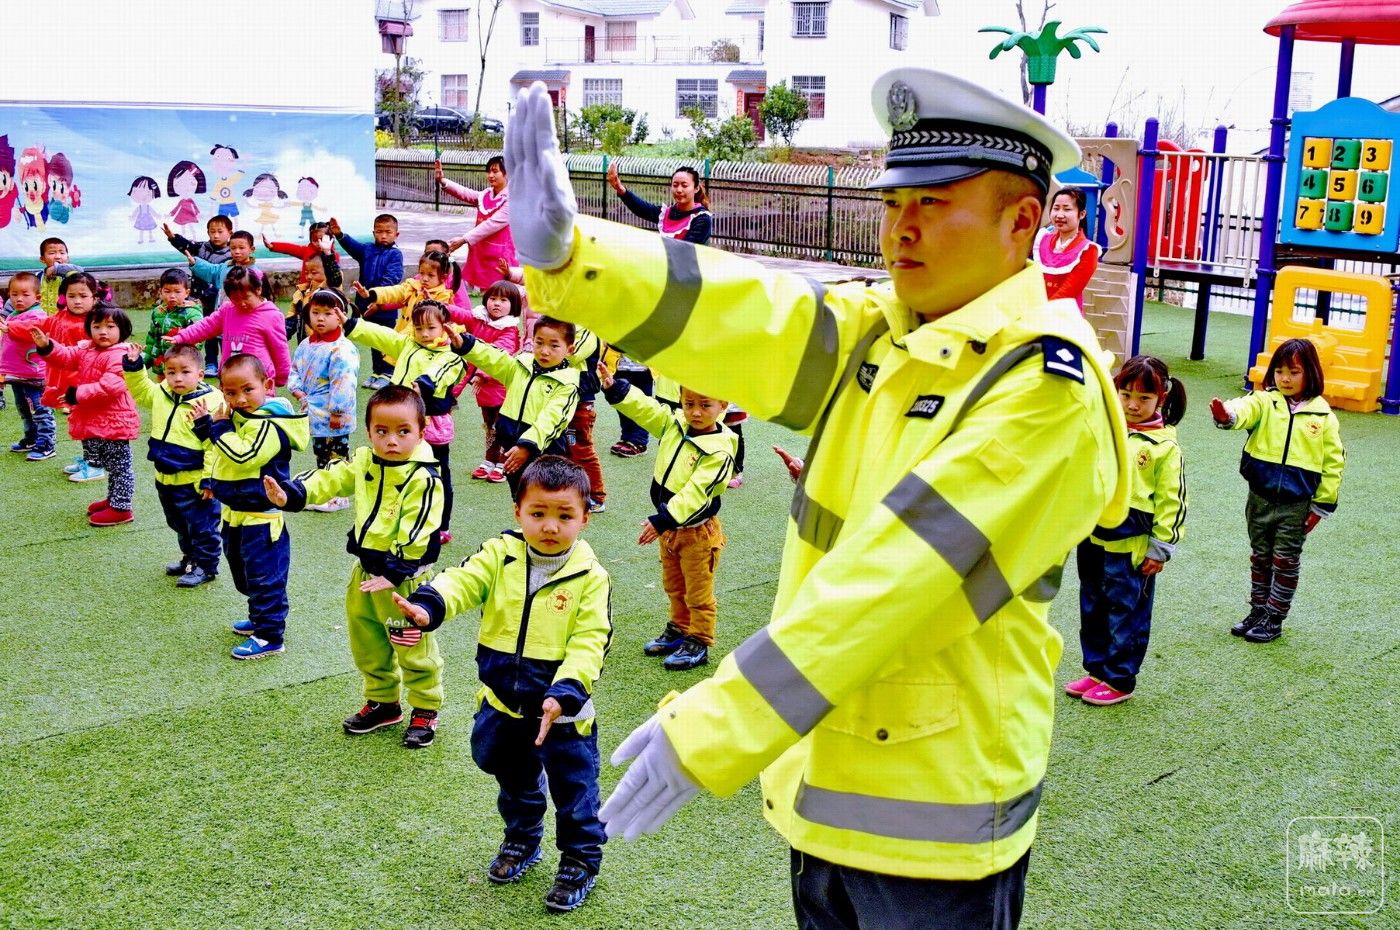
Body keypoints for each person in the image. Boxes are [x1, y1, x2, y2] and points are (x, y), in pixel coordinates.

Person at [505, 69, 1130, 929]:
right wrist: (573, 257)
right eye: (894, 202)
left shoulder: (1043, 387)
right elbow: (752, 313)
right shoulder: (893, 329)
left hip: (937, 827)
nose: (901, 229)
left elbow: (896, 589)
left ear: (1022, 222)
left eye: (935, 203)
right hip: (834, 789)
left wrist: (712, 729)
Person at [391, 456, 611, 913]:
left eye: (565, 516)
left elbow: (591, 641)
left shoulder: (591, 578)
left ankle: (580, 858)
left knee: (575, 791)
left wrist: (565, 692)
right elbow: (461, 581)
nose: (550, 526)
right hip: (503, 704)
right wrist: (427, 607)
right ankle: (523, 837)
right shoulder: (500, 553)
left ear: (585, 517)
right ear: (518, 512)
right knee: (510, 777)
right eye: (538, 513)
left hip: (562, 713)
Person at [264, 385, 446, 749]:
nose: (391, 440)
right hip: (364, 574)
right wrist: (292, 494)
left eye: (403, 431)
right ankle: (383, 702)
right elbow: (330, 476)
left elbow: (421, 526)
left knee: (412, 647)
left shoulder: (424, 477)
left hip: (403, 581)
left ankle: (425, 707)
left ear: (421, 431)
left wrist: (394, 573)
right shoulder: (365, 460)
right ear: (369, 432)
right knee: (367, 643)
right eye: (382, 431)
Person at [598, 363, 737, 670]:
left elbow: (696, 494)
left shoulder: (719, 451)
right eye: (689, 404)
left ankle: (699, 641)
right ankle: (679, 628)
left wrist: (662, 520)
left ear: (722, 405)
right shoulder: (675, 424)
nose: (696, 412)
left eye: (705, 405)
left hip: (697, 533)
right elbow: (647, 409)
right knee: (674, 585)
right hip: (670, 530)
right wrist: (615, 387)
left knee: (698, 590)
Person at [1069, 355, 1187, 705]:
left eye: (1144, 398)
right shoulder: (1107, 431)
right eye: (1126, 394)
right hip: (1093, 535)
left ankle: (1120, 679)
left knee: (1126, 610)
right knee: (1092, 605)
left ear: (1160, 399)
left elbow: (1172, 501)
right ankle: (1097, 670)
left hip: (1132, 544)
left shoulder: (1164, 448)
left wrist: (1161, 547)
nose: (1133, 405)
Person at [1210, 338, 1343, 644]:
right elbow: (1243, 408)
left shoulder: (1323, 418)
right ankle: (1258, 610)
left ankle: (1274, 617)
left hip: (1297, 504)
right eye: (1280, 371)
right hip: (1259, 497)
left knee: (1285, 560)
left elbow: (1334, 463)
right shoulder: (1265, 402)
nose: (1285, 378)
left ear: (1310, 372)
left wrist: (1322, 505)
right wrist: (1226, 415)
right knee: (1260, 556)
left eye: (1294, 372)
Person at [192, 353, 309, 660]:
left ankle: (270, 635)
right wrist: (208, 428)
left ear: (267, 385)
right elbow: (221, 455)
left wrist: (218, 430)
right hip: (235, 513)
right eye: (230, 393)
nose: (240, 399)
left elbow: (244, 455)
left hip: (261, 517)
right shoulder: (238, 419)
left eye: (247, 390)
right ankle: (259, 619)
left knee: (264, 576)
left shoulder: (269, 423)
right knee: (243, 573)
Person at [605, 162, 715, 459]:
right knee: (631, 362)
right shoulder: (666, 214)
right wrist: (620, 189)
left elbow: (684, 254)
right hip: (653, 296)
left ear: (696, 188)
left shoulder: (702, 219)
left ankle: (692, 434)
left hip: (682, 303)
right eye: (675, 184)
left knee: (677, 372)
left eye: (684, 185)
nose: (679, 190)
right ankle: (636, 436)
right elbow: (644, 209)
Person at [344, 298, 468, 537]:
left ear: (445, 326)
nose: (424, 333)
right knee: (398, 469)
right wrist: (351, 324)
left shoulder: (452, 352)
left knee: (436, 474)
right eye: (418, 327)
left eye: (431, 327)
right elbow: (381, 335)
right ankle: (396, 515)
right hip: (399, 422)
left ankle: (440, 525)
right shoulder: (408, 344)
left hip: (430, 425)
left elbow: (441, 370)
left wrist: (423, 384)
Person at [122, 342, 224, 587]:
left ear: (200, 374)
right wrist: (135, 367)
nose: (177, 378)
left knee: (202, 526)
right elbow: (141, 391)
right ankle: (190, 558)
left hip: (195, 480)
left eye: (185, 372)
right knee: (178, 523)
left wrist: (210, 480)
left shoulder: (212, 401)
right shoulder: (162, 392)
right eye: (171, 372)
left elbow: (216, 445)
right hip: (165, 476)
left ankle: (206, 566)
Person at [30, 304, 141, 526]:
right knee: (110, 464)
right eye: (97, 326)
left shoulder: (120, 355)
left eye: (110, 326)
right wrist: (47, 346)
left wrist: (77, 394)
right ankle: (113, 500)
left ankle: (122, 508)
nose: (103, 331)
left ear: (123, 330)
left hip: (115, 420)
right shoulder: (87, 349)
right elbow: (66, 356)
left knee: (120, 466)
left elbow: (111, 386)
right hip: (98, 419)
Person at [450, 316, 580, 498]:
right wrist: (467, 344)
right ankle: (526, 525)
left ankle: (540, 525)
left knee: (543, 496)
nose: (544, 351)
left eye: (554, 345)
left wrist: (527, 446)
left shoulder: (567, 384)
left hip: (543, 451)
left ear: (569, 350)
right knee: (519, 493)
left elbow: (551, 419)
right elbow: (494, 358)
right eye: (539, 342)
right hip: (511, 445)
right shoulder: (520, 365)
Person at [18, 273, 111, 480]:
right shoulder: (60, 317)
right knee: (80, 422)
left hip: (87, 383)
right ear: (64, 297)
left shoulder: (97, 322)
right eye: (71, 296)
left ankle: (96, 465)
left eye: (83, 296)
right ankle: (90, 459)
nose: (77, 301)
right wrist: (12, 326)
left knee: (90, 423)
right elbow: (37, 328)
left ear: (94, 298)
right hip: (66, 379)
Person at [170, 266, 291, 387]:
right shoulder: (228, 310)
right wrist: (181, 336)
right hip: (229, 379)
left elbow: (279, 349)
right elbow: (206, 326)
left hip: (258, 382)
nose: (242, 303)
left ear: (258, 290)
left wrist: (281, 377)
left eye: (246, 297)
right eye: (235, 299)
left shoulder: (271, 315)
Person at [287, 288, 360, 487]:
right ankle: (325, 492)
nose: (320, 318)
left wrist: (338, 411)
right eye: (316, 312)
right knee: (321, 453)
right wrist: (297, 390)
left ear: (340, 317)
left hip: (334, 414)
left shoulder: (342, 349)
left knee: (336, 455)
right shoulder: (305, 345)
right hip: (313, 410)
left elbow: (343, 382)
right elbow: (295, 370)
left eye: (328, 314)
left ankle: (338, 495)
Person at [329, 214, 404, 389]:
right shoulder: (367, 249)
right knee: (373, 340)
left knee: (385, 340)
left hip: (384, 308)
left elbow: (392, 279)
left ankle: (388, 373)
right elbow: (353, 247)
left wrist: (377, 301)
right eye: (379, 232)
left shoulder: (395, 254)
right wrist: (340, 235)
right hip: (365, 305)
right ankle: (377, 372)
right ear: (373, 232)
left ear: (396, 234)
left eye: (388, 232)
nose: (383, 236)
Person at [463, 280, 523, 484]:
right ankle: (490, 459)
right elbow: (461, 315)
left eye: (503, 300)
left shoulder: (509, 329)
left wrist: (480, 374)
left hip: (501, 387)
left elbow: (499, 350)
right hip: (486, 390)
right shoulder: (480, 320)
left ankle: (504, 462)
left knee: (503, 425)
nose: (496, 303)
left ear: (513, 305)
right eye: (493, 298)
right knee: (489, 425)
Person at [439, 155, 517, 293]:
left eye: (495, 171)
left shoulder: (513, 199)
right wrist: (443, 181)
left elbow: (491, 224)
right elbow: (465, 193)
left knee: (500, 293)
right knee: (485, 295)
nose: (490, 175)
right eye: (489, 171)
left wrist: (463, 239)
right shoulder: (486, 194)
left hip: (500, 256)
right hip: (481, 253)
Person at [165, 217, 233, 375]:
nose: (215, 235)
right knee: (207, 331)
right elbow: (187, 246)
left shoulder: (232, 255)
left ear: (230, 233)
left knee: (224, 333)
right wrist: (172, 237)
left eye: (220, 232)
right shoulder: (202, 248)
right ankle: (210, 364)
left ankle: (227, 362)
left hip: (220, 301)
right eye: (212, 232)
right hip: (199, 300)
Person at [0, 273, 56, 461]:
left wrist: (10, 328)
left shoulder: (37, 314)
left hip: (33, 374)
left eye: (25, 294)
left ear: (37, 297)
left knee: (40, 409)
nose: (19, 299)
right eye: (14, 294)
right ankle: (31, 438)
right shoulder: (14, 315)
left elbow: (32, 329)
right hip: (17, 374)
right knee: (24, 409)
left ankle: (47, 443)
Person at [1035, 187, 1099, 310]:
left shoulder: (1088, 250)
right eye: (1056, 208)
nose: (1059, 215)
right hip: (1035, 313)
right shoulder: (1041, 240)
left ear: (1082, 214)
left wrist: (1041, 312)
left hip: (1064, 318)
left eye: (1067, 209)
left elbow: (1068, 291)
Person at [141, 268, 204, 377]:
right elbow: (152, 337)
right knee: (162, 391)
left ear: (186, 292)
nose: (172, 296)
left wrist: (184, 359)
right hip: (161, 364)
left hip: (183, 365)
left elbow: (198, 340)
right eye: (167, 291)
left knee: (184, 390)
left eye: (177, 291)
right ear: (160, 292)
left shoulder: (192, 314)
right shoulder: (157, 312)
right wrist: (146, 358)